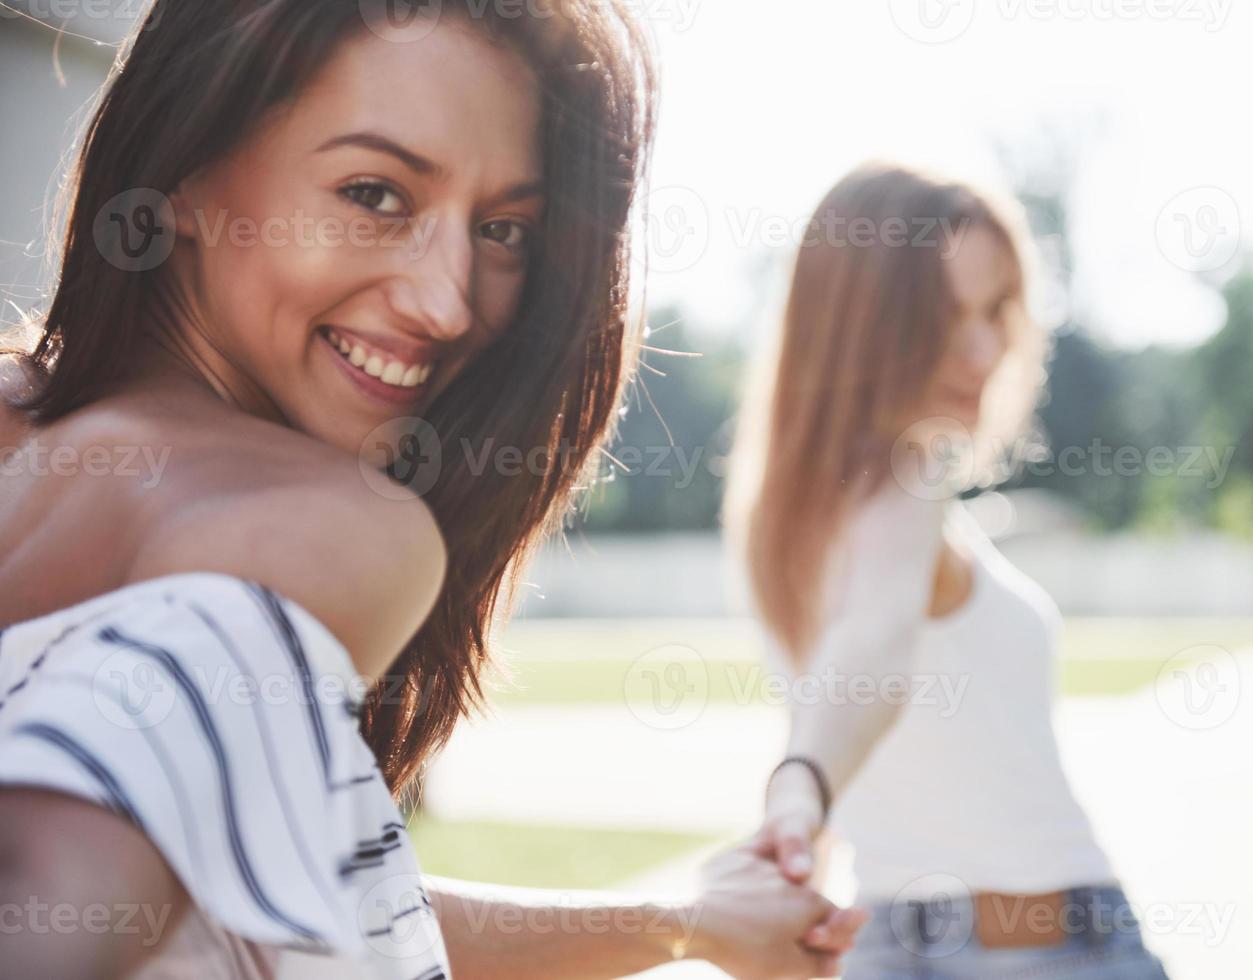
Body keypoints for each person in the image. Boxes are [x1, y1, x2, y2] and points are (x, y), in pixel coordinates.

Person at [0, 2, 866, 977]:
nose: (447, 300)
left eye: (501, 230)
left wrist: (685, 921)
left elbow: (289, 895)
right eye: (374, 193)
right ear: (186, 174)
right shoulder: (325, 527)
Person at [723, 162, 1172, 978]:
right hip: (1040, 946)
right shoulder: (905, 482)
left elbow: (847, 681)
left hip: (887, 942)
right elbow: (874, 642)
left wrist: (800, 810)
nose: (983, 348)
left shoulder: (777, 518)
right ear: (860, 325)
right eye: (941, 315)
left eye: (998, 307)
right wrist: (799, 787)